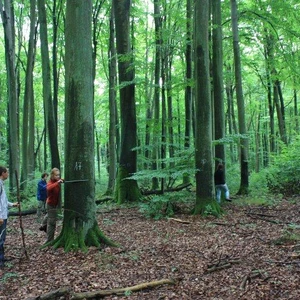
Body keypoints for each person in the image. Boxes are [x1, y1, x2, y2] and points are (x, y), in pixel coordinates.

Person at [0, 166, 19, 268]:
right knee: (0, 238)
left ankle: (2, 257)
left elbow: (3, 201)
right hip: (1, 217)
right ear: (3, 173)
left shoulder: (2, 184)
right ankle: (0, 259)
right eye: (6, 172)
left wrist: (12, 204)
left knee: (2, 237)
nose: (7, 174)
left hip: (3, 215)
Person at [40, 168, 64, 243]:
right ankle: (49, 240)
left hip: (54, 204)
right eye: (56, 175)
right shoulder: (50, 182)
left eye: (59, 175)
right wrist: (58, 182)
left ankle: (43, 225)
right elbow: (48, 188)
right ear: (52, 175)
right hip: (50, 204)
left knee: (49, 215)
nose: (58, 176)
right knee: (52, 222)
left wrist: (62, 180)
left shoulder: (57, 181)